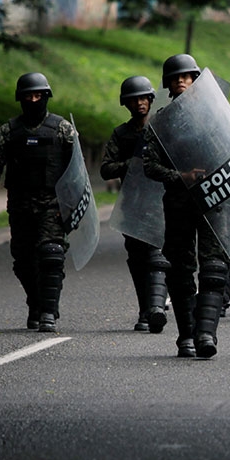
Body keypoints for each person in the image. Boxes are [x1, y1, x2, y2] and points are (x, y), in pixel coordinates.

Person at [0, 72, 76, 333]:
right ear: (20, 99)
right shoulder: (8, 132)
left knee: (51, 254)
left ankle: (49, 313)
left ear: (46, 96)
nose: (33, 100)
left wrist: (76, 203)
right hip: (20, 203)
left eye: (37, 95)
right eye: (28, 96)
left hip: (52, 203)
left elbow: (77, 168)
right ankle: (36, 303)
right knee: (23, 260)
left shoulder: (62, 129)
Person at [143, 53, 230, 359]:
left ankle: (206, 333)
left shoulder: (214, 115)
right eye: (176, 78)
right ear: (168, 83)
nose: (181, 81)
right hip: (179, 203)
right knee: (180, 271)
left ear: (195, 80)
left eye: (186, 77)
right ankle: (186, 336)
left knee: (213, 270)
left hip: (211, 200)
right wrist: (180, 176)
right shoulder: (160, 121)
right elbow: (149, 166)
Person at [100, 75, 169, 334]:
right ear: (126, 104)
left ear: (151, 100)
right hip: (132, 206)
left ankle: (156, 308)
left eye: (143, 98)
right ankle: (146, 309)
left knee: (157, 257)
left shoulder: (162, 127)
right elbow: (106, 169)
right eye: (134, 100)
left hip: (160, 203)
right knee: (138, 261)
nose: (140, 103)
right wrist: (130, 165)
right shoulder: (122, 134)